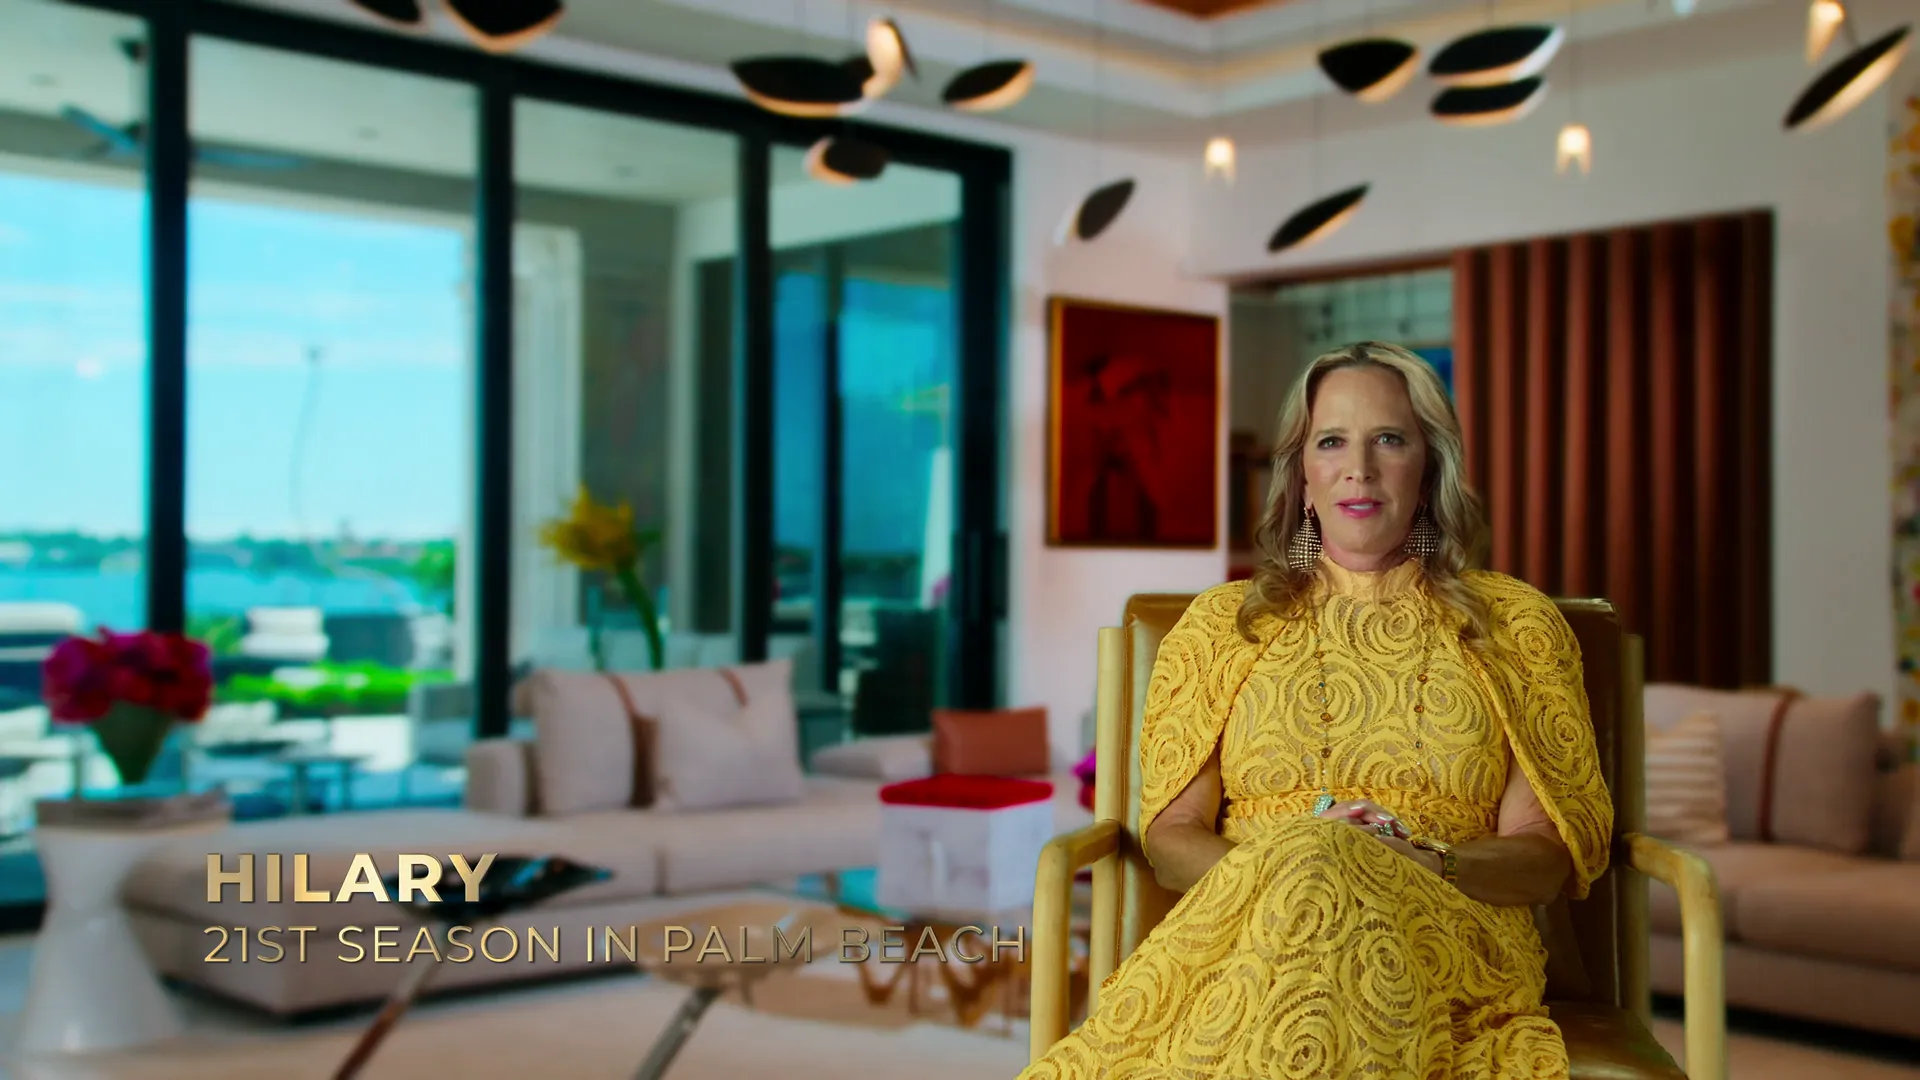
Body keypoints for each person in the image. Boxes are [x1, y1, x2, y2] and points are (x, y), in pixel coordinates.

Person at [1018, 341, 1612, 1079]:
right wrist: (1300, 863)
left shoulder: (1513, 624)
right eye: (1332, 442)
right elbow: (1170, 840)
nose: (1359, 468)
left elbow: (1543, 858)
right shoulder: (1223, 627)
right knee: (1316, 862)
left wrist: (1421, 859)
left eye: (1388, 439)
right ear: (1302, 477)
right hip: (1246, 933)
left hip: (1449, 934)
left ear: (1429, 468)